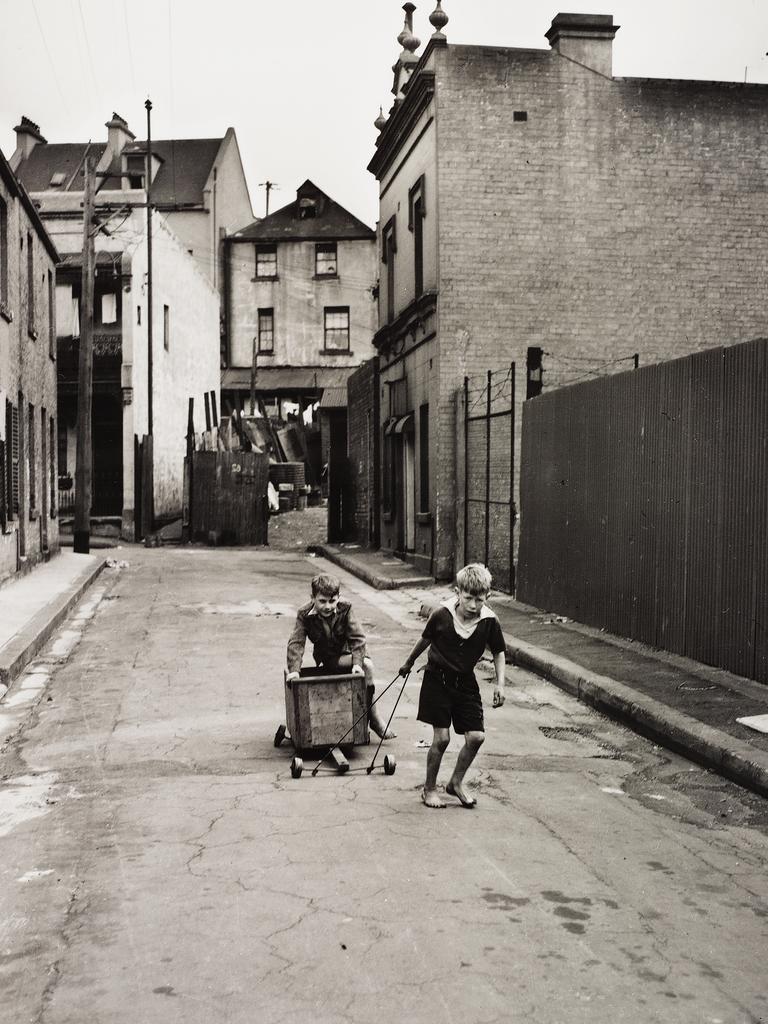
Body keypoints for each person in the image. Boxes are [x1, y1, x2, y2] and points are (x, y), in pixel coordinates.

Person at [399, 563, 506, 809]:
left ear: (487, 597)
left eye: (479, 600)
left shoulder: (489, 621)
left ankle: (455, 783)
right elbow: (425, 640)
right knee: (442, 739)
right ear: (458, 592)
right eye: (468, 598)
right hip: (437, 680)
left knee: (477, 737)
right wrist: (408, 663)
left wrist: (500, 684)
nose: (472, 605)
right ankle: (429, 789)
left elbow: (499, 652)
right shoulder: (441, 615)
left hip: (465, 683)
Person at [286, 573, 396, 739]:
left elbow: (358, 638)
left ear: (339, 597)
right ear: (313, 597)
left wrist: (357, 664)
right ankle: (371, 719)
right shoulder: (304, 614)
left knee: (366, 665)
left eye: (332, 600)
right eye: (322, 601)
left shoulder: (346, 608)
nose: (328, 606)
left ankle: (373, 718)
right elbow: (296, 642)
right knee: (367, 666)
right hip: (331, 659)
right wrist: (294, 670)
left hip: (349, 655)